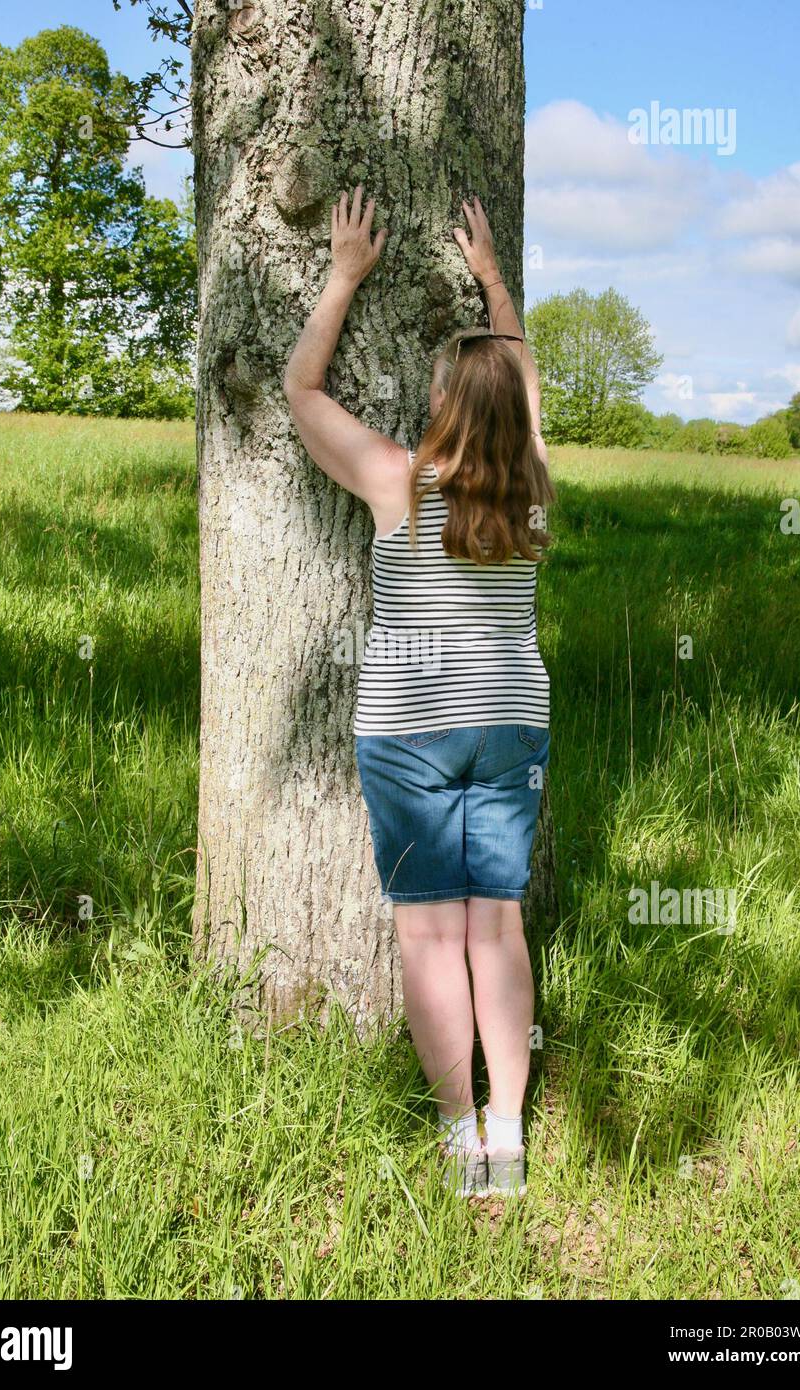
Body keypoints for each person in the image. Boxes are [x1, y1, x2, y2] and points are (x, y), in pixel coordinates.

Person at [283, 186, 555, 1197]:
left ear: (444, 403)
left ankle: (457, 1134)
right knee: (497, 926)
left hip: (408, 729)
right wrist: (491, 281)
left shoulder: (397, 477)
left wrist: (344, 275)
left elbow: (301, 387)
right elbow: (517, 387)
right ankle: (510, 1134)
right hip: (508, 724)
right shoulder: (526, 482)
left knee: (429, 932)